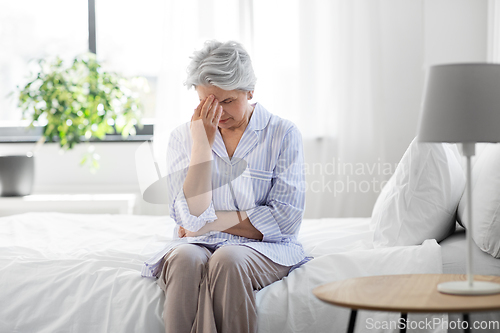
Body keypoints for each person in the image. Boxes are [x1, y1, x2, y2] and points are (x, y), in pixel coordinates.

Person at [142, 40, 310, 333]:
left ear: (250, 92)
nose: (217, 113)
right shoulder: (184, 137)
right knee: (184, 258)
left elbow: (285, 220)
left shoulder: (283, 133)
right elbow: (186, 220)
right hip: (195, 245)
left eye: (227, 101)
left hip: (266, 250)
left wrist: (208, 223)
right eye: (207, 102)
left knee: (229, 258)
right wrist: (201, 146)